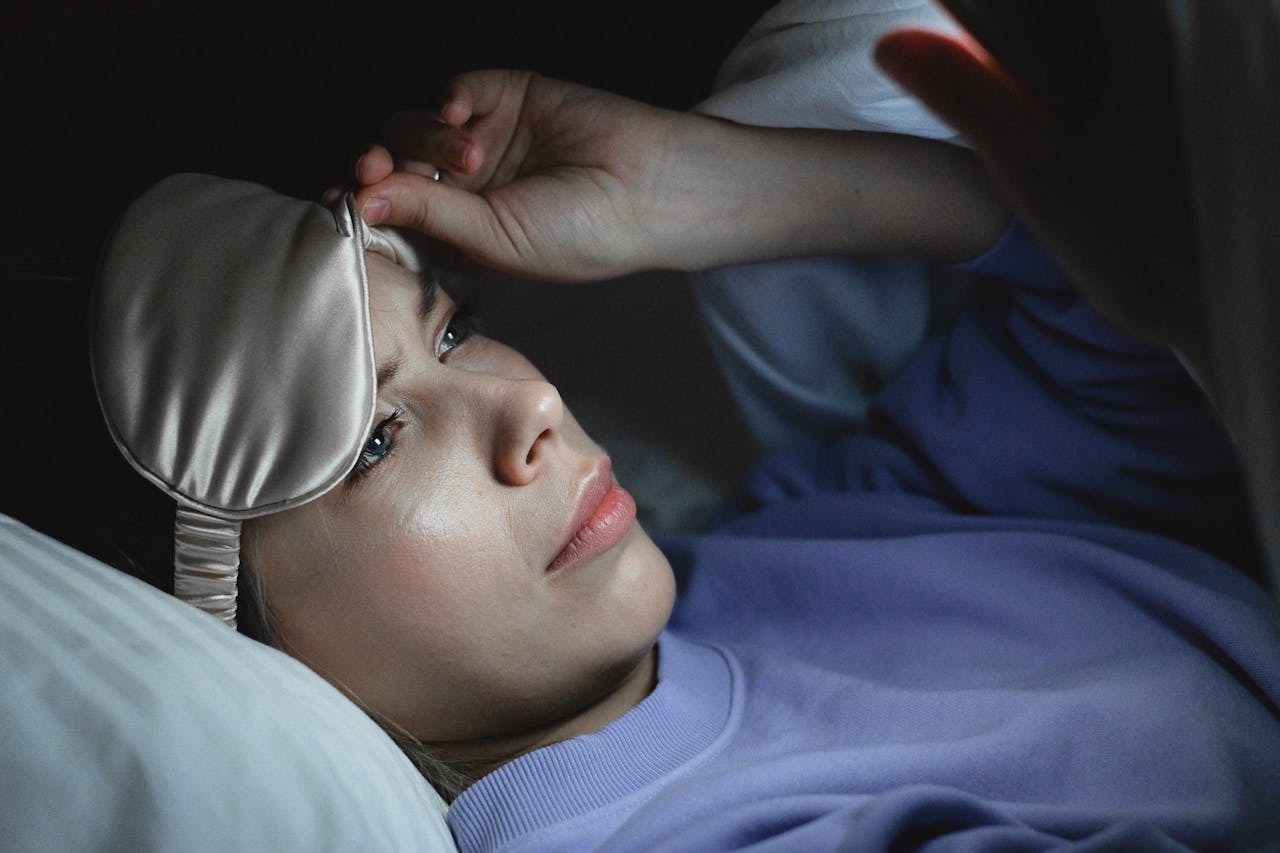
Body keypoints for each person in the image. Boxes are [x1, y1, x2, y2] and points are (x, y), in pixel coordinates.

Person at [90, 11, 1280, 853]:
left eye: (451, 334)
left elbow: (1128, 330)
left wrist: (699, 190)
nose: (533, 409)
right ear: (234, 643)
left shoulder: (778, 553)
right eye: (375, 442)